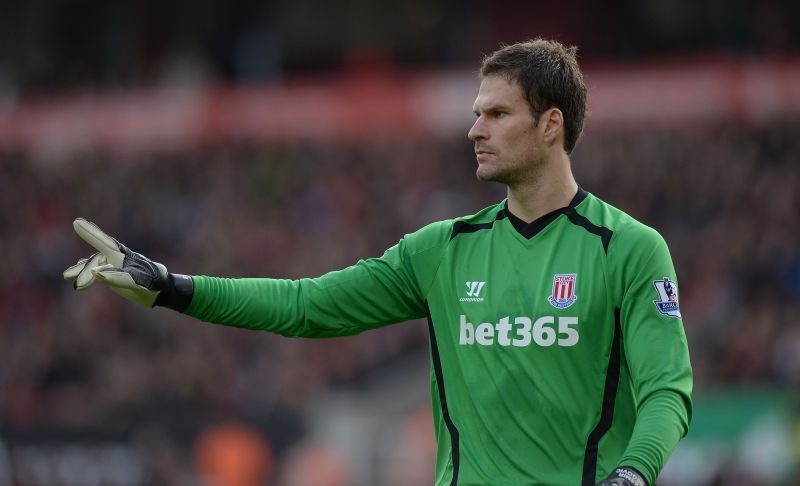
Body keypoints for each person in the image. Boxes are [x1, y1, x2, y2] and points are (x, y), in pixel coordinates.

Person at [63, 38, 692, 486]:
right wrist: (175, 288)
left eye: (497, 114)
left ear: (551, 125)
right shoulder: (442, 250)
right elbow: (307, 306)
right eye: (476, 113)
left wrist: (632, 476)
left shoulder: (629, 248)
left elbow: (667, 390)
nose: (475, 129)